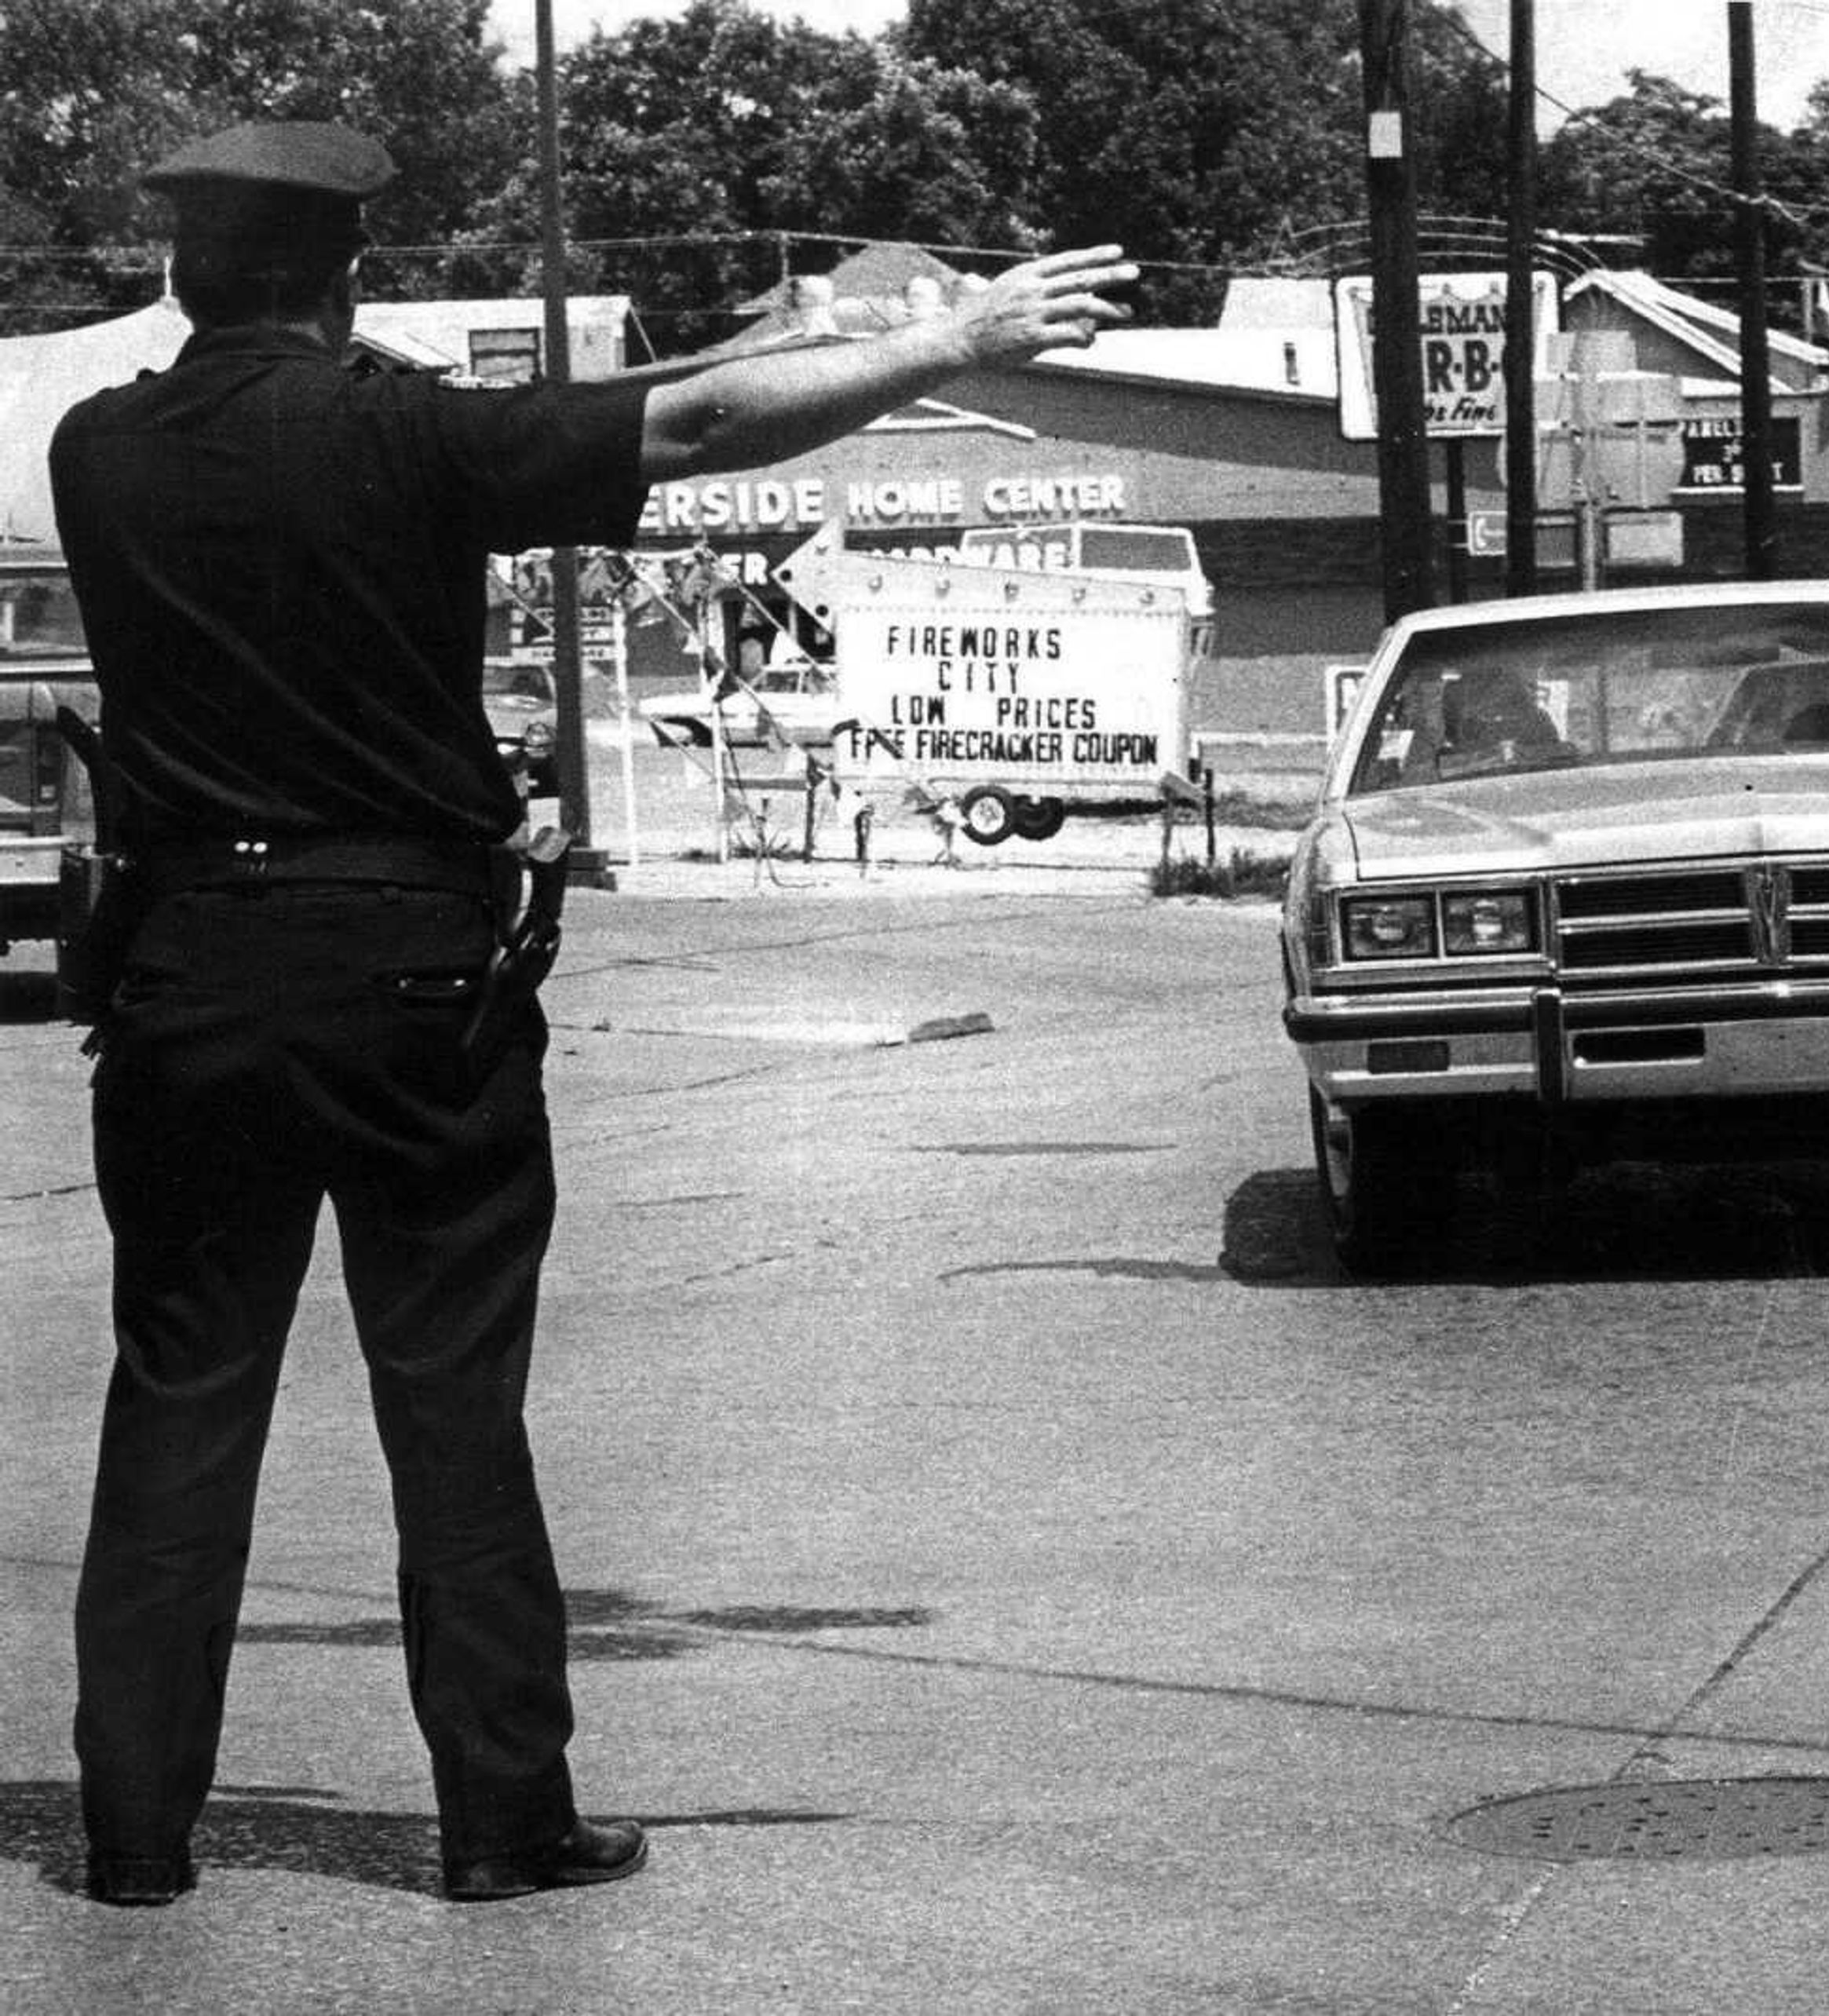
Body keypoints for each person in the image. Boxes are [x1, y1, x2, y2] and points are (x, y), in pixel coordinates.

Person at [48, 119, 1133, 1908]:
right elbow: (680, 425)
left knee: (178, 1394)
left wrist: (794, 341)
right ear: (347, 276)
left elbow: (653, 394)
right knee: (450, 1404)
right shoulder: (410, 433)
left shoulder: (104, 454)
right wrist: (948, 343)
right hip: (408, 968)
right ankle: (500, 1822)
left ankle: (134, 1837)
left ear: (180, 272)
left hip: (184, 976)